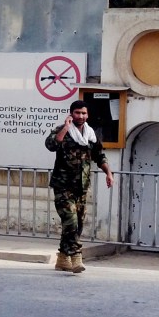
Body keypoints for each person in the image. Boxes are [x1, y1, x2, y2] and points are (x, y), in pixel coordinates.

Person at [45, 100, 113, 274]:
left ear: (87, 115)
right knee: (71, 222)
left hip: (81, 187)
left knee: (77, 224)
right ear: (71, 114)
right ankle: (76, 256)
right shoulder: (62, 130)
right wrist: (66, 128)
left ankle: (62, 258)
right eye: (77, 113)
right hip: (63, 186)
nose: (80, 116)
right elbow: (51, 145)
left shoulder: (91, 134)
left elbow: (99, 156)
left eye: (83, 113)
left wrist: (108, 173)